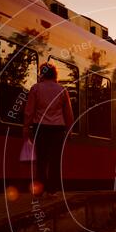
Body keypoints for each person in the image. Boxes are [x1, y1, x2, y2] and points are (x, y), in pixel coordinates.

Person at [24, 63, 74, 197]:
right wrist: (69, 129)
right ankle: (52, 191)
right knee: (55, 160)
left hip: (40, 128)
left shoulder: (35, 89)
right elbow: (68, 113)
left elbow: (29, 111)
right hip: (58, 129)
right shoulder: (62, 90)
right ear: (55, 74)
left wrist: (26, 127)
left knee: (41, 160)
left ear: (42, 73)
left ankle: (39, 190)